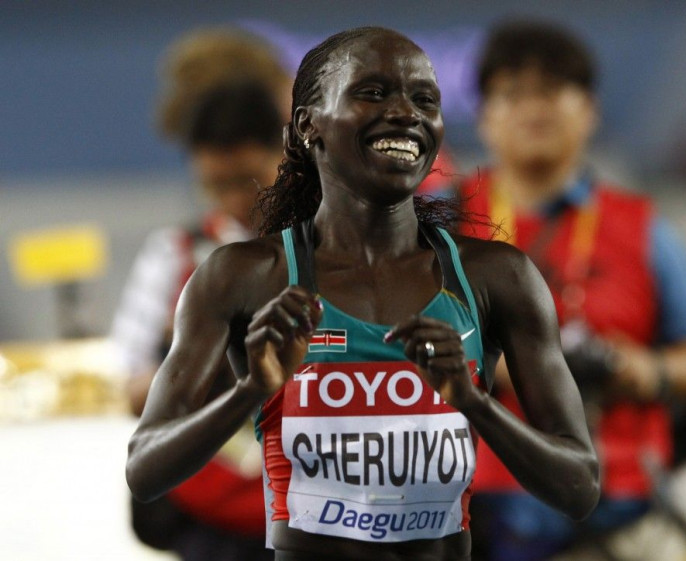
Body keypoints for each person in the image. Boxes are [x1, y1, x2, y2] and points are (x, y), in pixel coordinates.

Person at [126, 26, 600, 561]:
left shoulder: (497, 276)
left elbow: (579, 485)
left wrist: (474, 402)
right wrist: (250, 389)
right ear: (309, 125)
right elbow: (145, 470)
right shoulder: (241, 276)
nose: (405, 113)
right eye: (373, 93)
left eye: (425, 99)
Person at [458, 20, 686, 561]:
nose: (534, 109)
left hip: (619, 501)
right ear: (485, 117)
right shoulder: (438, 225)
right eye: (512, 93)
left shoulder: (644, 229)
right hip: (468, 498)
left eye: (554, 91)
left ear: (590, 112)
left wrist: (642, 370)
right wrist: (509, 366)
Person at [112, 27, 289, 561]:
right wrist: (199, 355)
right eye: (217, 185)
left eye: (249, 180)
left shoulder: (333, 246)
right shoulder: (175, 253)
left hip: (322, 497)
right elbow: (130, 387)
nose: (236, 200)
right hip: (212, 510)